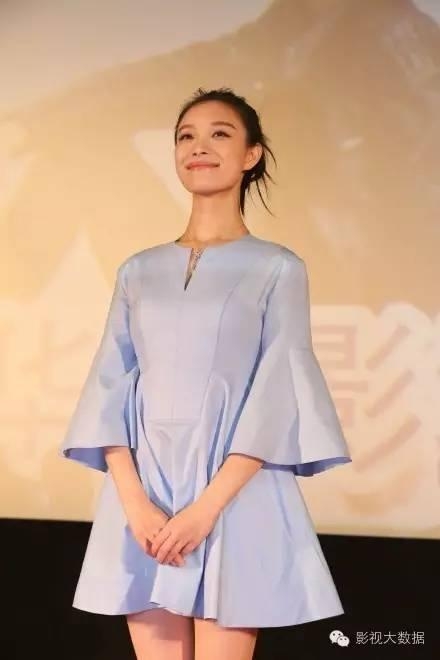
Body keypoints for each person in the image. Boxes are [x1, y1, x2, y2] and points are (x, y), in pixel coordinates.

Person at [60, 87, 352, 660]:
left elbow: (278, 391)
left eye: (219, 134)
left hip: (233, 494)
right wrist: (135, 505)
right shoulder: (138, 270)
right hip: (144, 498)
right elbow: (107, 386)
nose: (199, 147)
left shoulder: (277, 267)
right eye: (186, 136)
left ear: (251, 154)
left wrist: (205, 509)